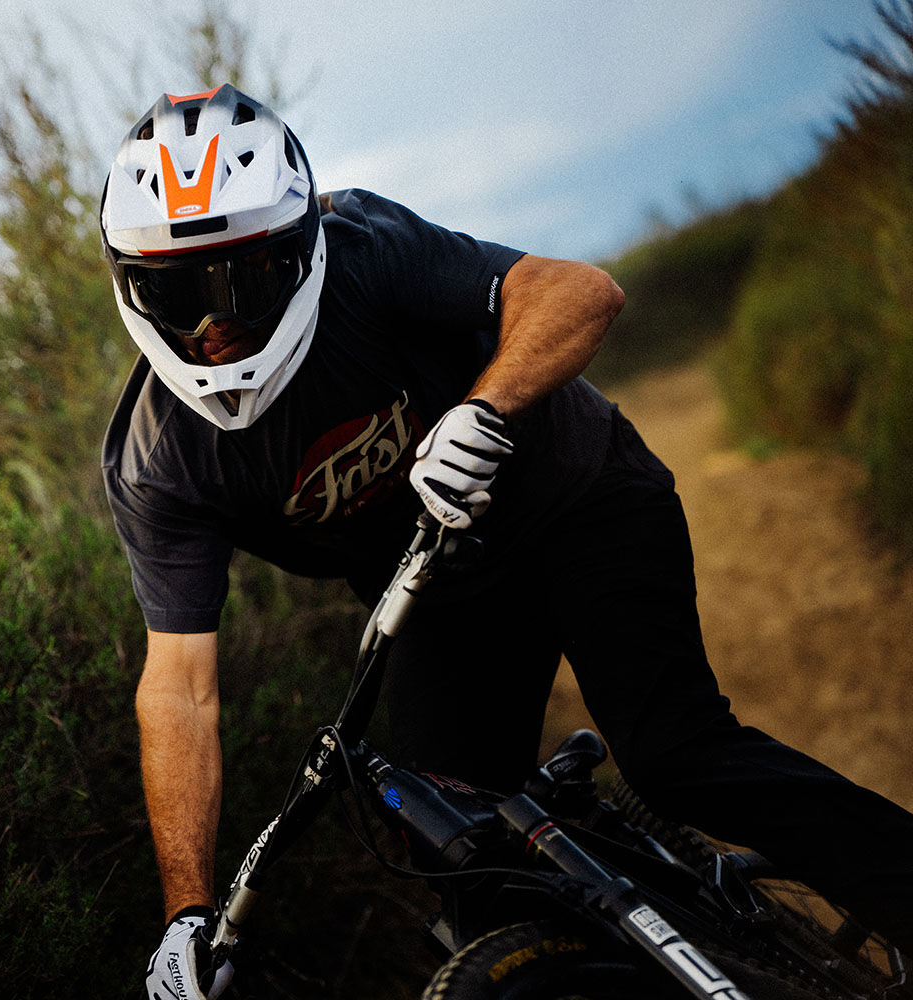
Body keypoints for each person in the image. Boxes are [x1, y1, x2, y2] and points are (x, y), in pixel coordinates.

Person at [100, 84, 913, 1000]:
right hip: (445, 594)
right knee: (457, 866)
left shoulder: (366, 250)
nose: (213, 327)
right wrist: (186, 914)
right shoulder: (160, 462)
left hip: (581, 499)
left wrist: (485, 409)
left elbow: (576, 290)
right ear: (130, 283)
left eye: (243, 281)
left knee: (680, 757)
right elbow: (178, 688)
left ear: (301, 251)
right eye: (176, 290)